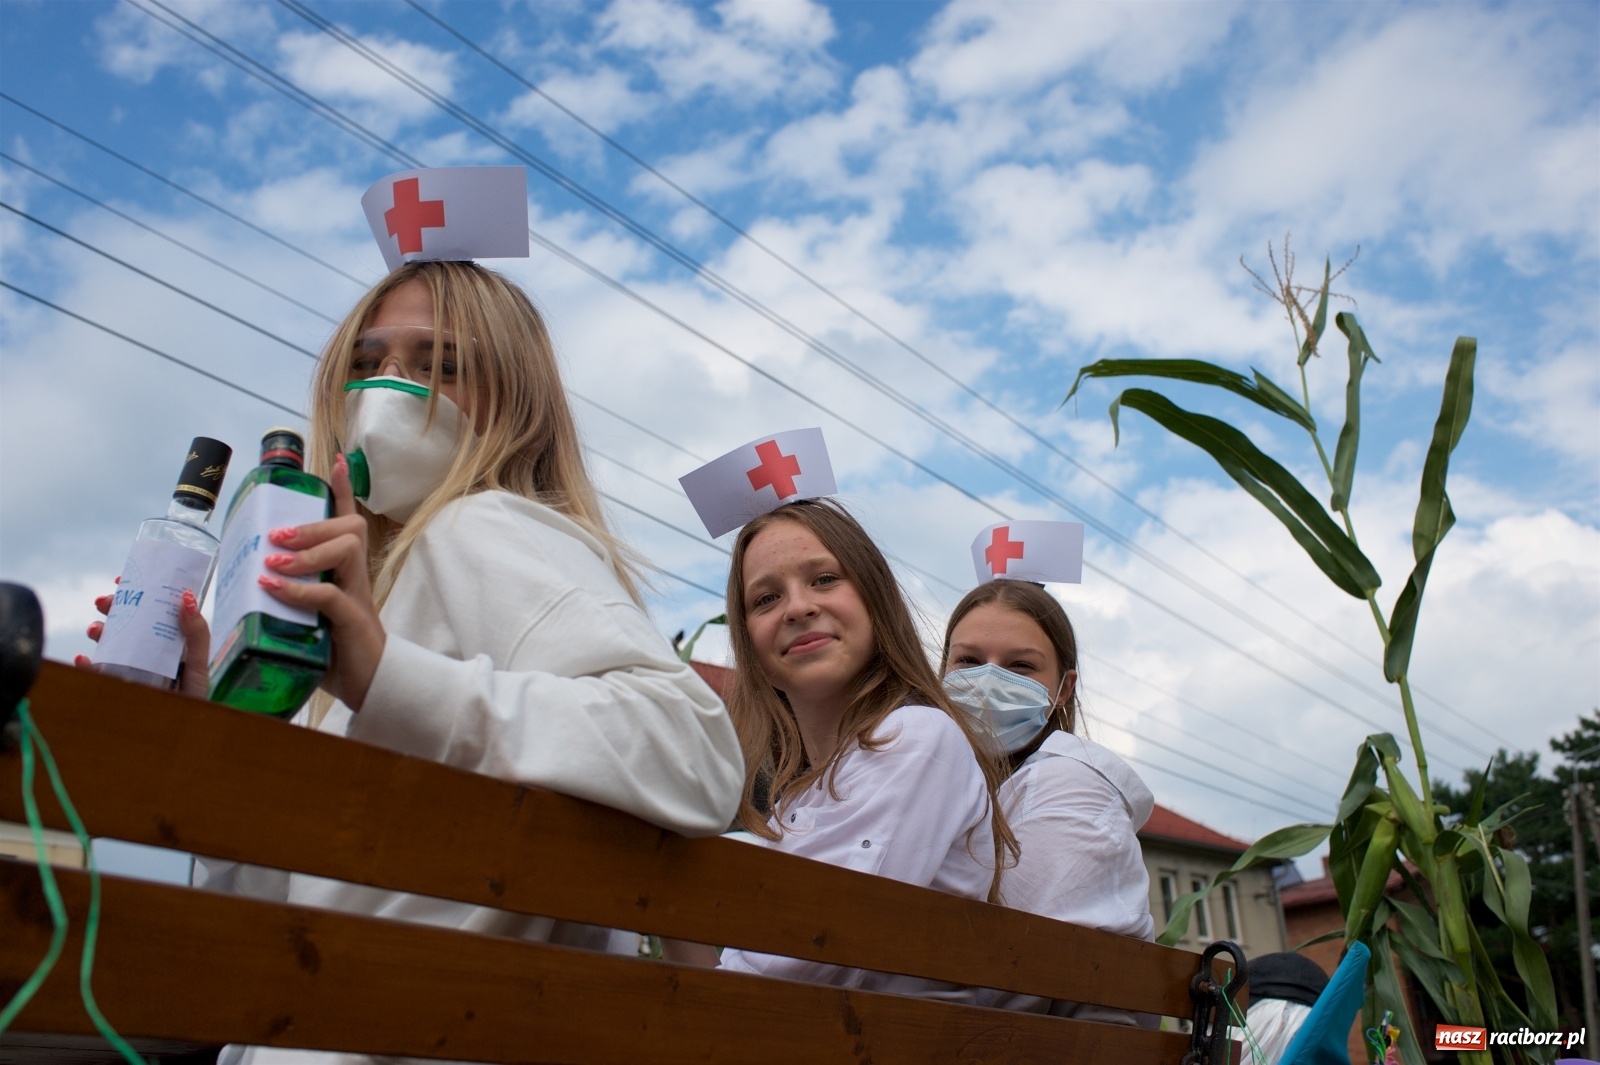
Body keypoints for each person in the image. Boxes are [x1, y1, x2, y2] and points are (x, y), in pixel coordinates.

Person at [87, 171, 745, 1062]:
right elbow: (285, 904)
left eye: (436, 364)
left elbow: (696, 746)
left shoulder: (481, 525)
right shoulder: (365, 597)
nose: (387, 390)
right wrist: (218, 745)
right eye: (365, 364)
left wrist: (385, 673)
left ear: (512, 396)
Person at [664, 496, 1016, 995]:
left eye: (824, 579)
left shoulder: (916, 737)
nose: (799, 607)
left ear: (876, 600)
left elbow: (803, 960)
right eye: (765, 599)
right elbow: (733, 992)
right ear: (752, 649)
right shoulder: (792, 804)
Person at [940, 575, 1154, 1020]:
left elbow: (1016, 969)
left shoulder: (1070, 787)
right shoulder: (943, 789)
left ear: (1065, 689)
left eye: (1020, 666)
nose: (989, 681)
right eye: (969, 661)